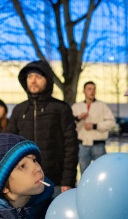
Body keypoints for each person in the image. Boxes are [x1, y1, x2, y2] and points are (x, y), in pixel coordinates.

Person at [6, 60, 78, 195]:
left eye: (38, 77)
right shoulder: (19, 110)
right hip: (25, 182)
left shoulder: (61, 109)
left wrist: (67, 180)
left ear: (48, 80)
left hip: (54, 182)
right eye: (29, 77)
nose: (33, 81)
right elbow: (10, 146)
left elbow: (71, 147)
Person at [71, 81, 115, 174]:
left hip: (98, 145)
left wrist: (95, 126)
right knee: (84, 173)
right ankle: (86, 189)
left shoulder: (102, 106)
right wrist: (78, 118)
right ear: (84, 91)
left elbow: (111, 123)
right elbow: (69, 123)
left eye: (94, 89)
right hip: (82, 145)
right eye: (89, 89)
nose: (92, 91)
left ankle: (101, 189)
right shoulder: (76, 107)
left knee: (101, 172)